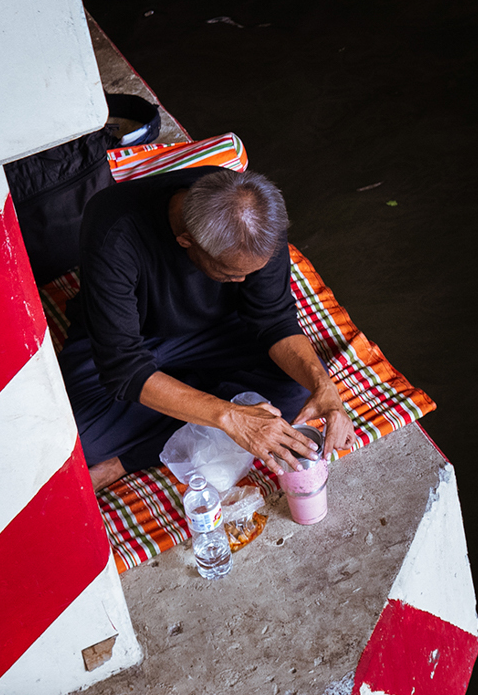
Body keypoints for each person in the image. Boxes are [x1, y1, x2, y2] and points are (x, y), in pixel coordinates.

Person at [62, 166, 354, 489]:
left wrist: (324, 386)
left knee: (301, 388)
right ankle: (201, 401)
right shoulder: (114, 232)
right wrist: (230, 416)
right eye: (230, 274)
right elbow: (124, 368)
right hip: (127, 337)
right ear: (186, 241)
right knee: (78, 438)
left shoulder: (258, 219)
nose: (243, 281)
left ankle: (130, 455)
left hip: (214, 332)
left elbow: (273, 318)